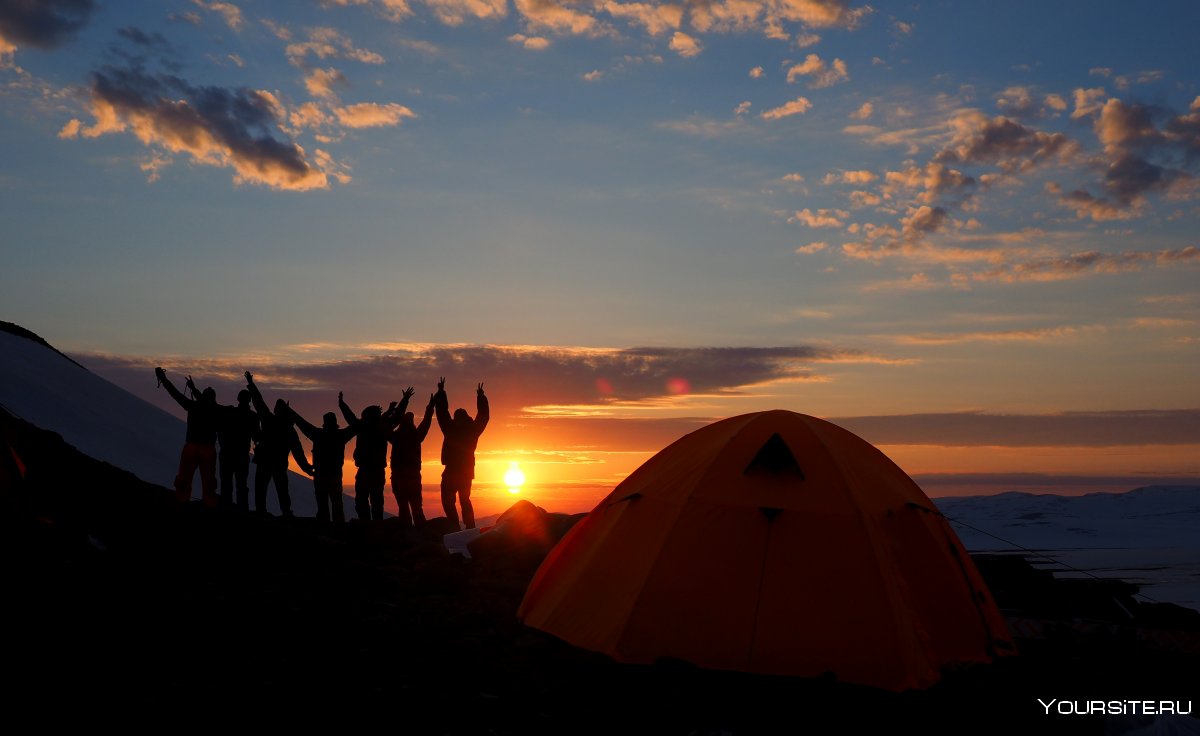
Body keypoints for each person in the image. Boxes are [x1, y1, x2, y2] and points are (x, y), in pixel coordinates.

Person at [244, 371, 313, 517]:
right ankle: (286, 512)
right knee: (281, 488)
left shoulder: (269, 419)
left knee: (261, 487)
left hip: (265, 461)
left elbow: (259, 402)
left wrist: (251, 384)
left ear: (276, 410)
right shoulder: (289, 430)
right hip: (279, 463)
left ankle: (261, 511)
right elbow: (298, 452)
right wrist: (307, 468)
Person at [155, 367, 220, 508]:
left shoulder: (193, 406)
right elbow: (207, 404)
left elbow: (176, 394)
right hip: (208, 450)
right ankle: (209, 506)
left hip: (192, 447)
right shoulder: (217, 411)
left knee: (184, 480)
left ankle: (181, 502)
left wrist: (164, 380)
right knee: (208, 482)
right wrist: (193, 389)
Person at [189, 383, 258, 510]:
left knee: (226, 484)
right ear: (249, 401)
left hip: (226, 453)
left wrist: (194, 390)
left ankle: (227, 509)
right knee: (241, 484)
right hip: (242, 455)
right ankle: (243, 511)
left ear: (238, 399)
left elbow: (211, 405)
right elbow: (257, 437)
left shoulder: (229, 411)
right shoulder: (253, 417)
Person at [287, 403, 357, 523]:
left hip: (321, 475)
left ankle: (326, 524)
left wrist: (290, 411)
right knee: (336, 502)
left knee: (323, 502)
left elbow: (303, 424)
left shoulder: (318, 434)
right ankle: (338, 526)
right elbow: (356, 426)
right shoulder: (340, 435)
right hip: (334, 474)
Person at [340, 390, 404, 521]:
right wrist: (404, 401)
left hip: (366, 470)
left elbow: (350, 417)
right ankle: (376, 525)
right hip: (376, 471)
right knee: (376, 500)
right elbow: (396, 417)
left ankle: (367, 525)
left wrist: (342, 404)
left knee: (363, 500)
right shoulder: (382, 426)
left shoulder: (363, 426)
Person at [434, 378, 489, 529]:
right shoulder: (473, 430)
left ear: (456, 418)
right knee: (465, 500)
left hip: (452, 471)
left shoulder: (450, 429)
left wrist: (441, 393)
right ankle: (470, 527)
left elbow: (441, 413)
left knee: (448, 500)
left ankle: (454, 525)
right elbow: (484, 417)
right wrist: (481, 397)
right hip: (466, 472)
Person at [387, 391, 435, 528]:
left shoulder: (396, 437)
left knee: (403, 506)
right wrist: (430, 407)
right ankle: (421, 532)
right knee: (416, 507)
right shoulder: (416, 436)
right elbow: (426, 422)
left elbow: (385, 426)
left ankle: (407, 532)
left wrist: (403, 402)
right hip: (413, 476)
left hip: (398, 476)